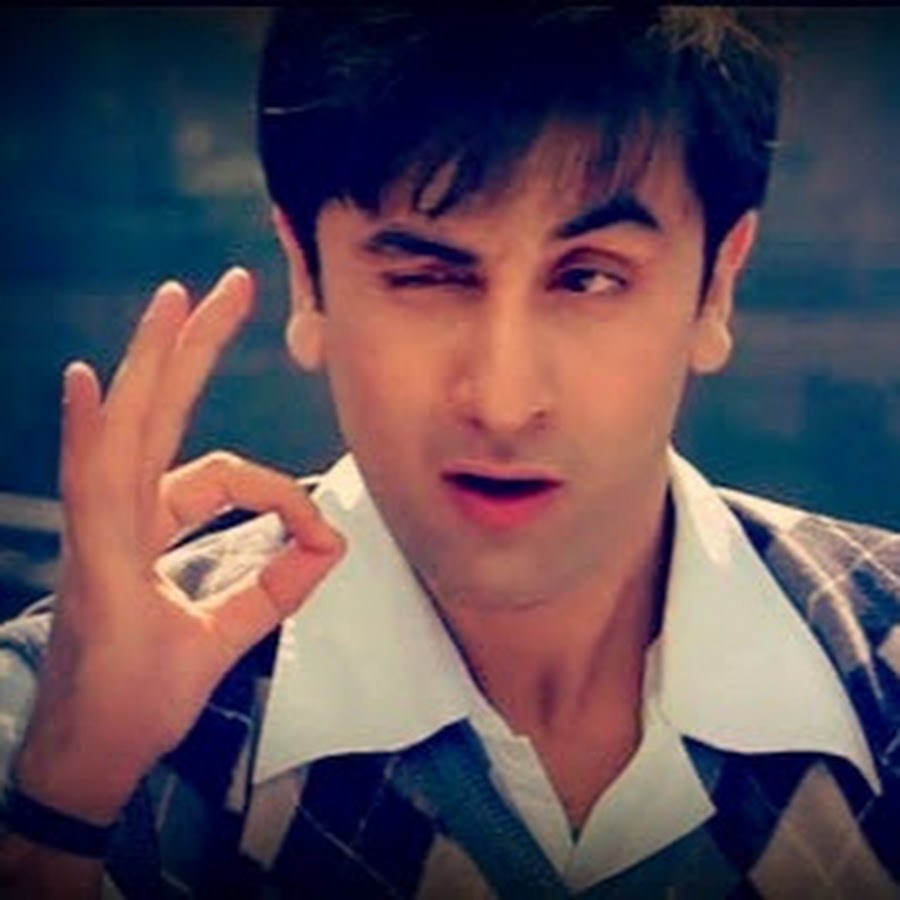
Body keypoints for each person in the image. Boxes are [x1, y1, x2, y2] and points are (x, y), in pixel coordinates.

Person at [1, 4, 898, 898]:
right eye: (426, 275)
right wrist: (65, 801)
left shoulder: (881, 664)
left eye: (589, 277)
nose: (503, 403)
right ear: (307, 277)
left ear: (716, 287)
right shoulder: (51, 712)